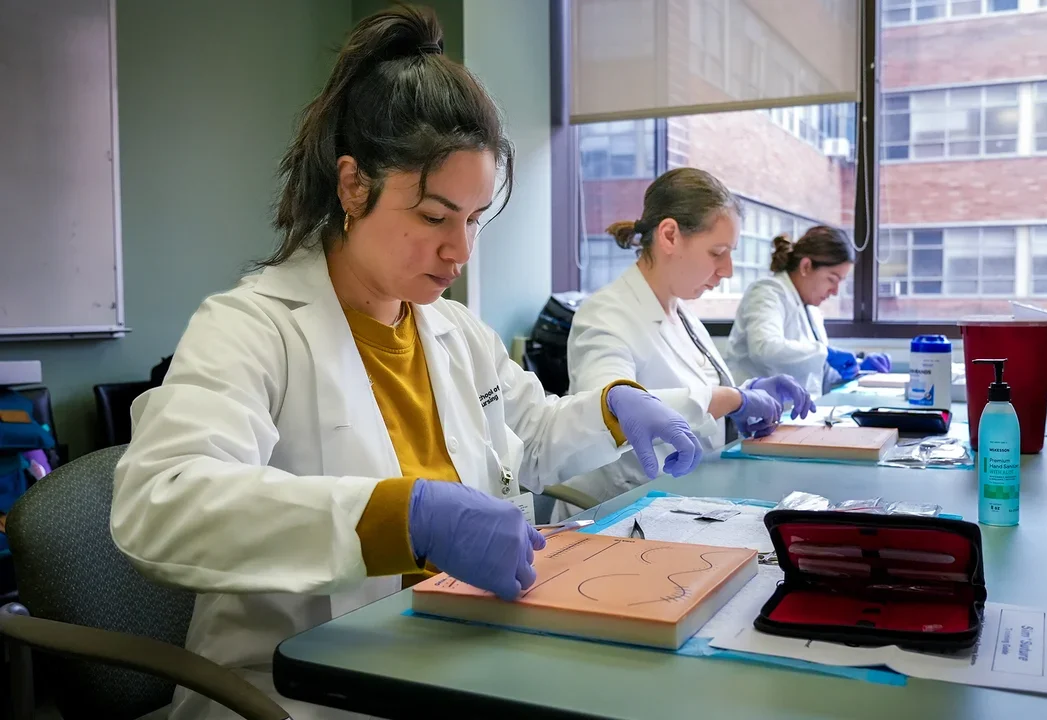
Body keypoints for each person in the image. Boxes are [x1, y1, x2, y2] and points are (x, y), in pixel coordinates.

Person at [109, 8, 703, 719]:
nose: (461, 250)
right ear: (353, 185)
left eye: (475, 218)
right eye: (433, 217)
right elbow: (160, 504)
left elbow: (532, 438)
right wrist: (399, 518)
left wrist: (612, 408)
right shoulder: (251, 328)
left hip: (455, 651)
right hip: (299, 687)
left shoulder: (453, 330)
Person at [548, 167, 817, 522]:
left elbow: (693, 389)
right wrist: (730, 399)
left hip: (684, 500)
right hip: (617, 514)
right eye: (717, 252)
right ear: (670, 236)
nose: (728, 270)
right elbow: (612, 404)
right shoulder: (604, 316)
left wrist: (743, 397)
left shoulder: (680, 310)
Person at [725, 225, 892, 397]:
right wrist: (826, 353)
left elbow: (819, 378)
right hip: (756, 417)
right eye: (832, 279)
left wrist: (858, 371)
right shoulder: (767, 292)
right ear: (806, 266)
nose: (834, 291)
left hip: (794, 416)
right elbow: (764, 348)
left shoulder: (811, 311)